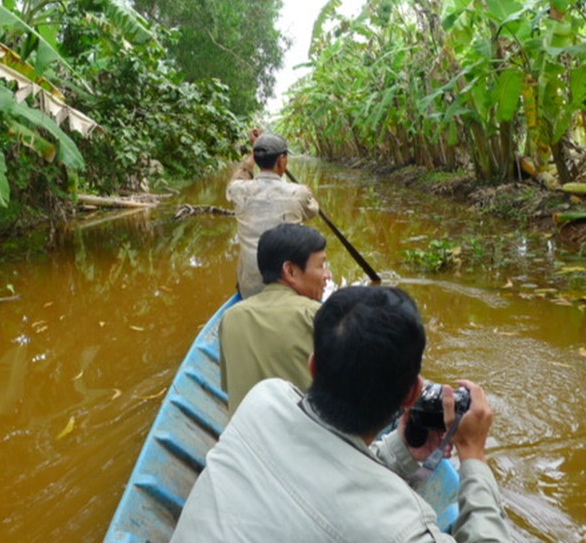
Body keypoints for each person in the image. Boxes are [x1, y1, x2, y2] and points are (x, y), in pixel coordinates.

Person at [172, 286, 512, 542]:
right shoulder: (401, 529)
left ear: (313, 366)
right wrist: (474, 455)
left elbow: (326, 468)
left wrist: (402, 453)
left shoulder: (263, 399)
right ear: (412, 394)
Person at [220, 222, 330, 415]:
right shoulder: (315, 316)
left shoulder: (230, 317)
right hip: (303, 442)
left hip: (243, 442)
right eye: (321, 265)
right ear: (290, 271)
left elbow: (229, 389)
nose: (327, 275)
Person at [226, 129, 319, 299]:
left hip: (249, 290)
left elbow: (239, 177)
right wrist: (309, 193)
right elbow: (313, 211)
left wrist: (253, 154)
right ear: (282, 161)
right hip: (290, 290)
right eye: (286, 158)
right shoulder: (298, 193)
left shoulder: (238, 190)